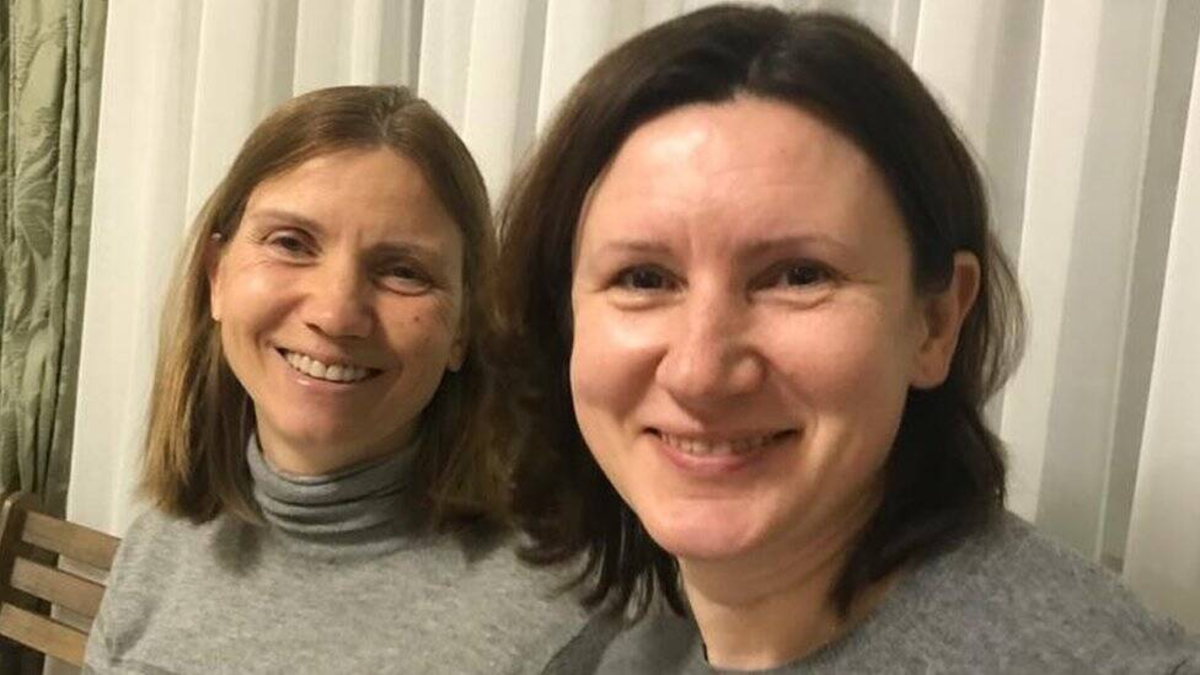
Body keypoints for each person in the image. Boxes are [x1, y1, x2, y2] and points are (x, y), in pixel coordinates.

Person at [495, 6, 1200, 673]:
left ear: (935, 322)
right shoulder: (615, 645)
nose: (700, 371)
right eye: (644, 278)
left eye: (799, 275)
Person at [85, 85, 589, 674]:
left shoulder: (569, 616)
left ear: (464, 327)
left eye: (404, 271)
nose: (336, 313)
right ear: (217, 275)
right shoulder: (160, 545)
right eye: (291, 243)